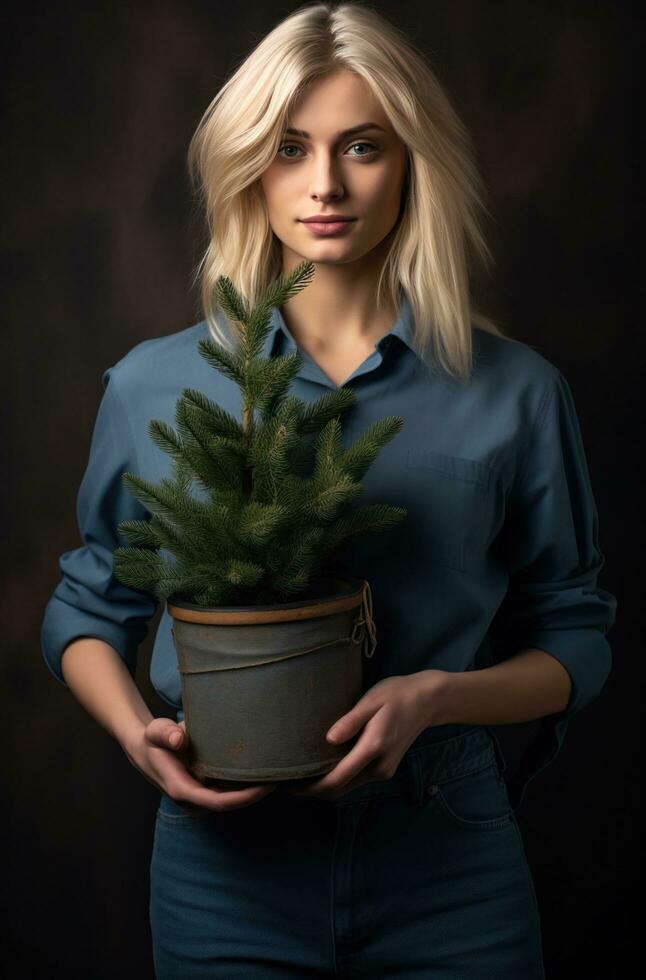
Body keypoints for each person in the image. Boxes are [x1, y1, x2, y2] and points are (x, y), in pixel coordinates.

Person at [41, 3, 617, 977]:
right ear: (246, 168)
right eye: (288, 148)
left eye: (362, 147)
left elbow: (576, 635)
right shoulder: (153, 385)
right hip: (225, 866)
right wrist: (139, 735)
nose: (324, 184)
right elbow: (87, 605)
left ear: (411, 164)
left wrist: (436, 696)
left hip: (447, 858)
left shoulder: (518, 391)